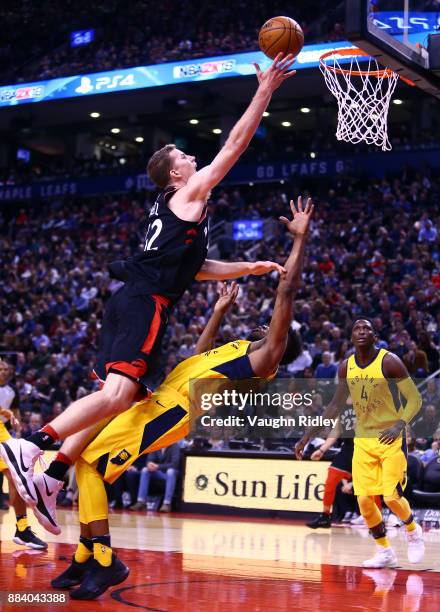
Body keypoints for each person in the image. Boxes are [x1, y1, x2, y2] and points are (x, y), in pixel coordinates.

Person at [0, 53, 296, 520]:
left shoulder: (174, 210)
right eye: (185, 157)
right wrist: (265, 91)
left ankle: (52, 477)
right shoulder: (188, 194)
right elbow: (234, 148)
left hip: (132, 299)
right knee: (118, 396)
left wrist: (248, 267)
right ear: (177, 175)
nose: (193, 158)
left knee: (120, 400)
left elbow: (194, 272)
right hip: (144, 303)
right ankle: (32, 447)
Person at [48, 197, 314, 599]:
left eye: (275, 326)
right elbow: (196, 357)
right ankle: (86, 553)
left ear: (282, 341)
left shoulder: (266, 358)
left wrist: (299, 240)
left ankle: (104, 560)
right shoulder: (240, 347)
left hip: (174, 411)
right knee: (86, 464)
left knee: (93, 466)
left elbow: (287, 291)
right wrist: (219, 313)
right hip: (160, 398)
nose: (267, 322)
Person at [295, 319, 425, 568]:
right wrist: (307, 437)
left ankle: (412, 529)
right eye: (357, 329)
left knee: (391, 497)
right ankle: (384, 550)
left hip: (391, 438)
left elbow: (415, 399)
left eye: (367, 328)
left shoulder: (389, 361)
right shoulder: (346, 367)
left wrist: (400, 424)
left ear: (375, 335)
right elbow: (334, 405)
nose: (362, 332)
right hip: (363, 440)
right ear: (351, 337)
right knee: (364, 501)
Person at [0, 360, 46, 550]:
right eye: (0, 368)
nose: (4, 371)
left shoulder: (11, 391)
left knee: (15, 475)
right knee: (15, 475)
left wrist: (8, 414)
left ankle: (22, 528)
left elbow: (15, 412)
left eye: (5, 369)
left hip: (2, 431)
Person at [129, 443, 181, 512]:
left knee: (170, 471)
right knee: (145, 470)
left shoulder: (175, 446)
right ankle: (141, 502)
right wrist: (150, 465)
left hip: (169, 474)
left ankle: (167, 503)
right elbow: (149, 459)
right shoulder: (157, 444)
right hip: (158, 472)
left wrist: (158, 466)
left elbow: (175, 464)